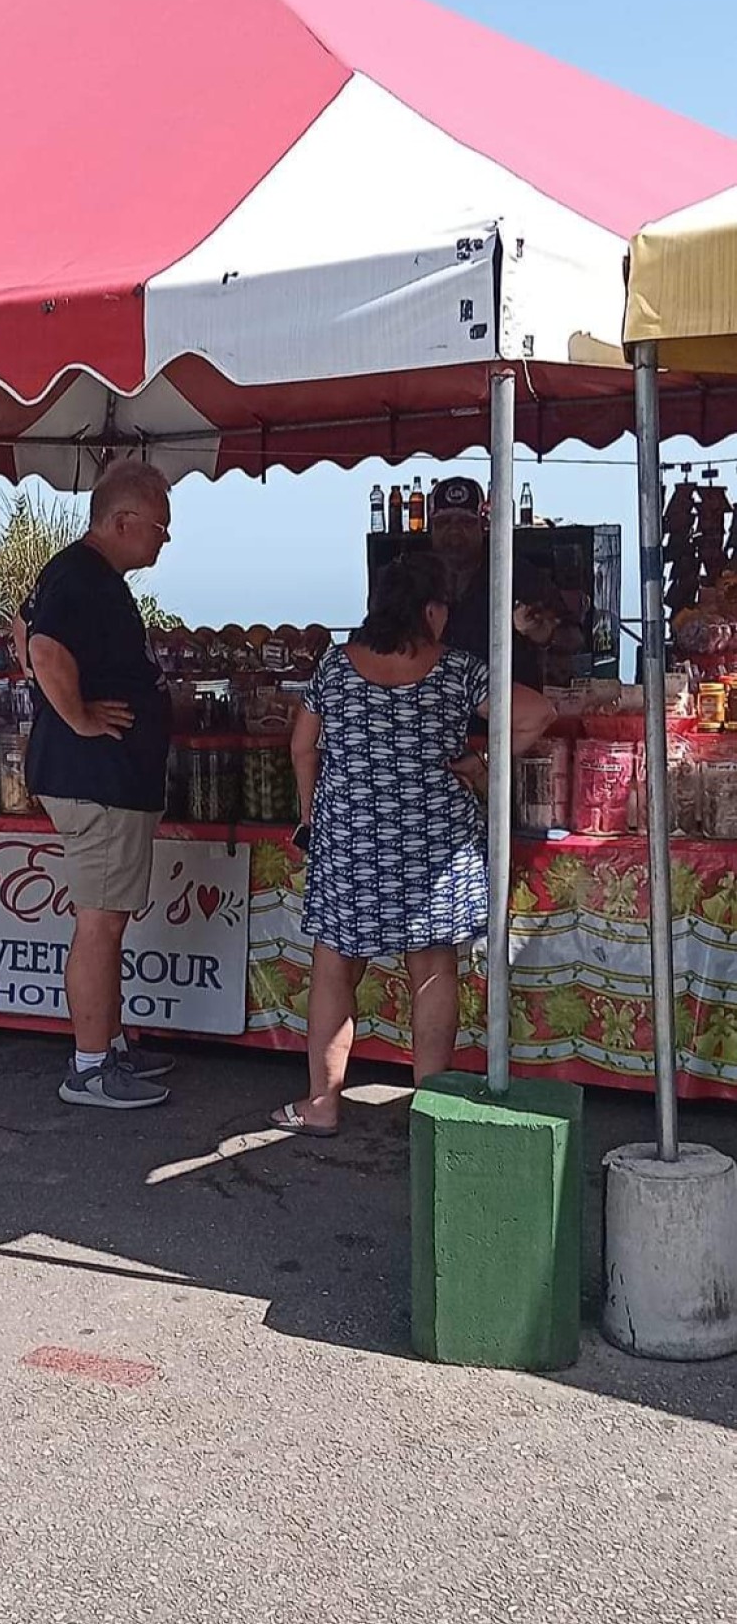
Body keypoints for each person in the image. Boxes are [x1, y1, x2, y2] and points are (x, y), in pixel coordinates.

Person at [274, 554, 553, 1135]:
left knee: (335, 969)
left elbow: (302, 746)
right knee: (431, 970)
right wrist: (482, 763)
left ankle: (321, 1104)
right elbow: (535, 713)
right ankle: (429, 1106)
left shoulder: (335, 667)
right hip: (435, 841)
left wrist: (310, 814)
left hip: (350, 839)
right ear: (430, 610)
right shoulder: (457, 669)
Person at [22, 462, 175, 1110]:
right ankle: (89, 1067)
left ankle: (109, 1046)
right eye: (160, 526)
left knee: (107, 921)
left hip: (107, 779)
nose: (165, 539)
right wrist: (80, 717)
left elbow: (25, 630)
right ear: (123, 521)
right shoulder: (83, 576)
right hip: (98, 781)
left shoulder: (83, 575)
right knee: (100, 924)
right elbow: (42, 647)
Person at [427, 474, 557, 692]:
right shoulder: (413, 577)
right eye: (444, 522)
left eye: (466, 522)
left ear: (483, 525)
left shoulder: (513, 571)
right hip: (435, 703)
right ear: (430, 528)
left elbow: (569, 637)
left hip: (507, 704)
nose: (454, 531)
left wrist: (539, 631)